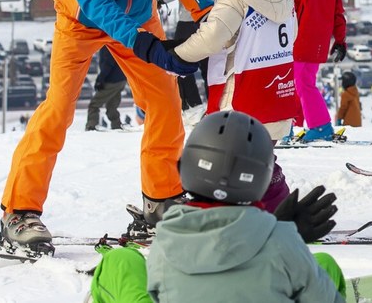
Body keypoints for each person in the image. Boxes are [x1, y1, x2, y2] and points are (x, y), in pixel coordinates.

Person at [0, 0, 214, 254]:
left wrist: (206, 15)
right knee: (58, 110)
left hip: (136, 11)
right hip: (81, 19)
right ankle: (19, 212)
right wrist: (144, 43)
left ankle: (162, 199)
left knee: (166, 103)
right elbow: (95, 0)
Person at [88, 111, 344, 303]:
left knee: (120, 261)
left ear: (186, 167)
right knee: (323, 264)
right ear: (262, 178)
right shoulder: (282, 242)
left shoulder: (168, 236)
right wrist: (287, 237)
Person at [169, 0, 299, 214]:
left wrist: (174, 54)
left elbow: (211, 38)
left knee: (225, 161)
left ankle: (219, 213)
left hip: (243, 98)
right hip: (278, 94)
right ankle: (279, 206)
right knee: (262, 157)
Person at [283, 0, 348, 142]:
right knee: (298, 84)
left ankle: (320, 126)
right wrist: (340, 42)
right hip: (318, 45)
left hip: (297, 44)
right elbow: (338, 15)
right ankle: (293, 125)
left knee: (300, 85)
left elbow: (281, 14)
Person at [86, 47, 127, 131]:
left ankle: (91, 126)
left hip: (112, 80)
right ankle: (117, 126)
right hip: (121, 78)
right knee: (111, 106)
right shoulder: (115, 41)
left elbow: (107, 64)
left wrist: (100, 80)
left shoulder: (106, 45)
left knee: (94, 104)